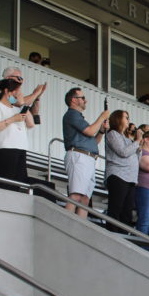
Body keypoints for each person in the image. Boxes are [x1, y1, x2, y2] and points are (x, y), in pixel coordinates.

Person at [62, 87, 109, 218]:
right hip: (79, 156)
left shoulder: (79, 118)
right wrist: (101, 117)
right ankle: (64, 223)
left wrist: (100, 131)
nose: (85, 100)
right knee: (76, 195)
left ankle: (80, 227)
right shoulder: (72, 114)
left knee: (85, 199)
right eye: (82, 98)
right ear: (73, 100)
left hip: (88, 157)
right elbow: (89, 131)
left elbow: (94, 141)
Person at [103, 109, 139, 231]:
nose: (128, 120)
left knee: (127, 211)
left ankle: (123, 236)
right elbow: (123, 152)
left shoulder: (128, 139)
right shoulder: (112, 134)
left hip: (131, 178)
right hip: (118, 176)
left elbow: (135, 158)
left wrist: (139, 145)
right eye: (126, 117)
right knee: (116, 208)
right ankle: (112, 234)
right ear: (118, 119)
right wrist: (137, 142)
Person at [0, 79, 35, 183]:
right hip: (5, 148)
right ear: (6, 91)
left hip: (21, 148)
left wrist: (22, 103)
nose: (18, 94)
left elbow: (30, 124)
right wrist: (12, 119)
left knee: (18, 184)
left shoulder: (17, 109)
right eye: (16, 91)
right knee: (6, 183)